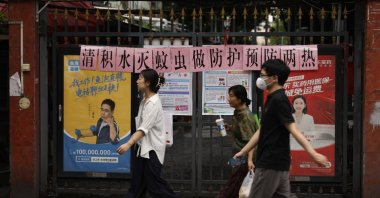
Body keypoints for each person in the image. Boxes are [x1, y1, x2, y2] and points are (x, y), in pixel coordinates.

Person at [234, 59, 328, 198]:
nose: (260, 79)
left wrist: (313, 154)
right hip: (276, 162)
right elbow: (262, 131)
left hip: (271, 162)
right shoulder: (272, 98)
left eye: (263, 75)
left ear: (274, 78)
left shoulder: (279, 100)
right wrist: (244, 151)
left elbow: (293, 129)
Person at [117, 68, 176, 198]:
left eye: (140, 78)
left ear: (148, 83)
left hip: (152, 150)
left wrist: (128, 144)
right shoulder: (145, 100)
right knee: (137, 185)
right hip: (143, 148)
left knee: (155, 186)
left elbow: (144, 129)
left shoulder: (153, 103)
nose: (137, 81)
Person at [218, 85, 259, 198]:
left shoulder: (246, 116)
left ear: (240, 98)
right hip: (238, 156)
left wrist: (250, 161)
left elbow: (252, 140)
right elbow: (242, 131)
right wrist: (230, 127)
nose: (228, 99)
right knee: (236, 184)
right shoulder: (238, 112)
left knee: (232, 186)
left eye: (231, 96)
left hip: (244, 158)